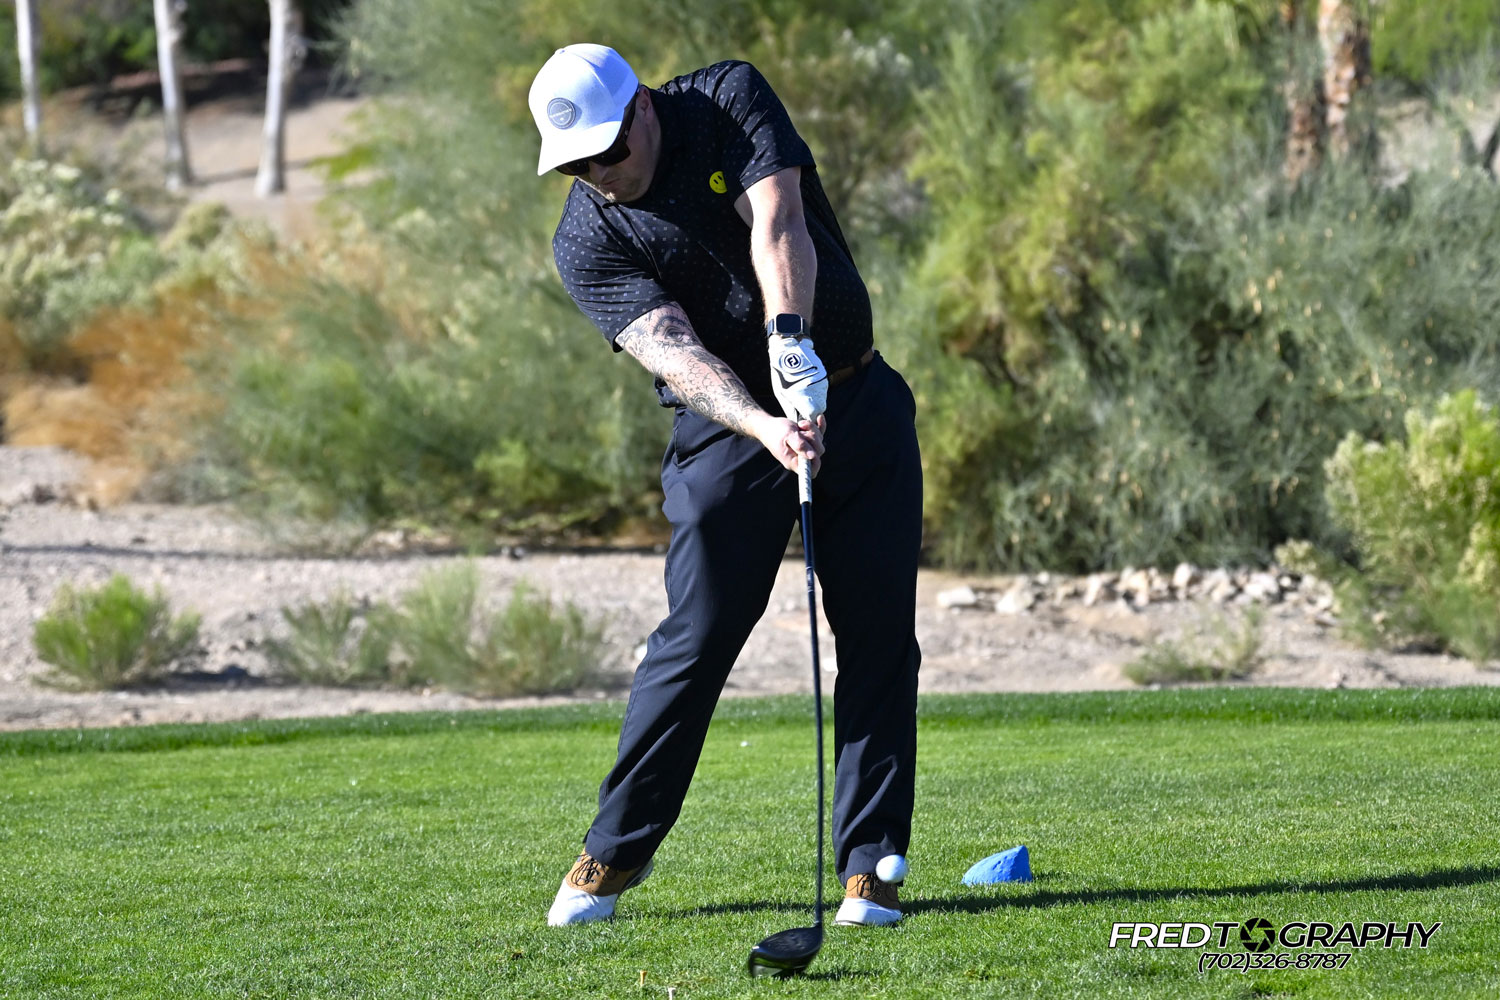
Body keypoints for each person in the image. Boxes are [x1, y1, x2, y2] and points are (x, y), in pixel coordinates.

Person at [528, 44, 922, 929]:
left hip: (854, 396)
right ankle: (613, 853)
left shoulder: (724, 100)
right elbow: (670, 348)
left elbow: (775, 218)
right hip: (729, 434)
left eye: (607, 151)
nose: (598, 175)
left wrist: (793, 343)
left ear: (642, 108)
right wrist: (764, 422)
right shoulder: (587, 237)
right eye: (576, 166)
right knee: (698, 636)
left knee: (878, 636)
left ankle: (872, 867)